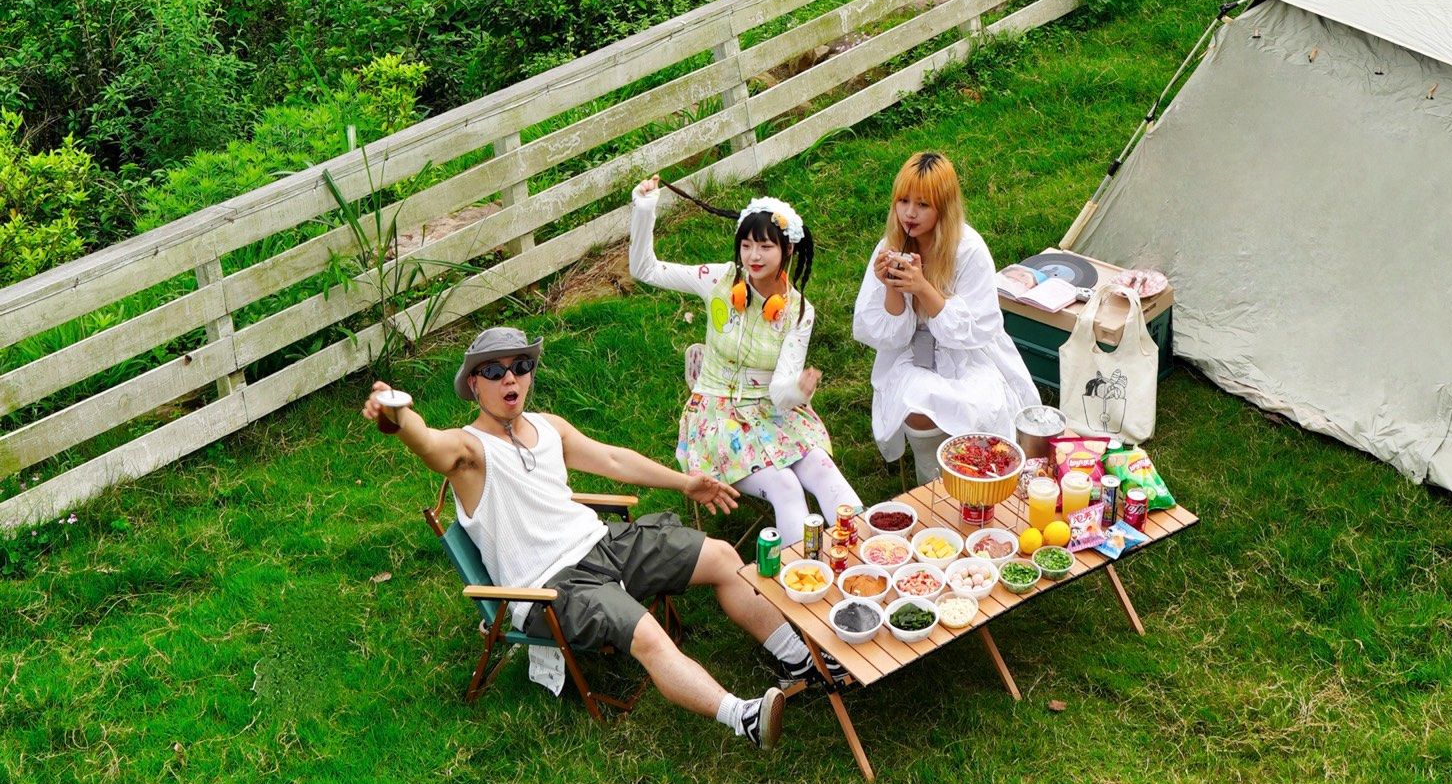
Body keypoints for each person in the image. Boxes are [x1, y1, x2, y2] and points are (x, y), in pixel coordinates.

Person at [363, 321, 825, 748]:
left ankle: (801, 663)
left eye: (521, 366)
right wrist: (396, 413)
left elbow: (613, 461)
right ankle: (742, 717)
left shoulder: (548, 427)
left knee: (724, 556)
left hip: (603, 544)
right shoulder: (468, 451)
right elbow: (426, 441)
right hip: (552, 587)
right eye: (494, 370)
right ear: (473, 384)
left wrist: (686, 483)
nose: (511, 378)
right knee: (648, 635)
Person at [626, 176, 863, 560]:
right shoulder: (719, 279)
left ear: (787, 250)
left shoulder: (799, 311)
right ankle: (805, 576)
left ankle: (869, 551)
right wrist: (644, 208)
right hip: (716, 417)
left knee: (820, 464)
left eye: (765, 246)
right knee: (786, 486)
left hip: (773, 413)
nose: (753, 255)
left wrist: (799, 392)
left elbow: (780, 392)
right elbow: (646, 270)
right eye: (747, 244)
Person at [853, 148, 1038, 481]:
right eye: (903, 201)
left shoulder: (968, 250)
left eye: (923, 205)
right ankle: (931, 479)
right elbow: (888, 335)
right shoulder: (891, 244)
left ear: (944, 207)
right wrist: (893, 286)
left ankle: (971, 474)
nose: (909, 213)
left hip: (968, 354)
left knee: (973, 405)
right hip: (912, 352)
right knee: (916, 402)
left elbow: (974, 330)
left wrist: (923, 287)